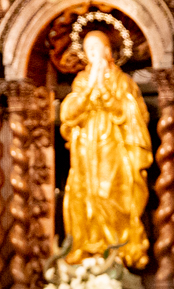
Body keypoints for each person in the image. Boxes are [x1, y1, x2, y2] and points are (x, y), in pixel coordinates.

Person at [57, 15, 151, 269]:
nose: (93, 55)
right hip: (87, 149)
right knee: (85, 195)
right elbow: (68, 114)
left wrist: (108, 97)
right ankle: (90, 247)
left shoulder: (124, 82)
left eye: (97, 49)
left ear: (108, 52)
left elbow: (135, 114)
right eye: (88, 51)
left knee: (109, 193)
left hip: (114, 147)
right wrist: (91, 91)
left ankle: (118, 249)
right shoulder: (81, 82)